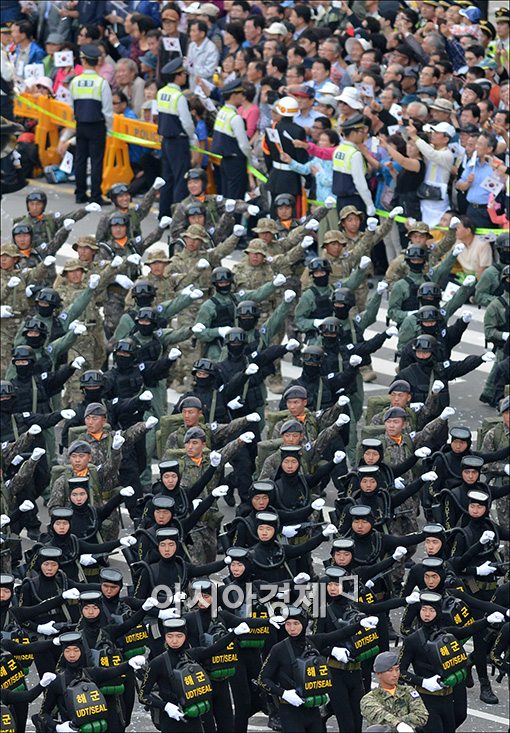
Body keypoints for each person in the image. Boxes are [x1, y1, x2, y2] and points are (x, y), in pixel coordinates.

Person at [69, 44, 113, 206]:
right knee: (96, 161)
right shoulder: (101, 83)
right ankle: (95, 195)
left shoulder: (75, 81)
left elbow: (70, 105)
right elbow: (107, 110)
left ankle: (80, 194)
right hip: (97, 125)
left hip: (81, 124)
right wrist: (110, 129)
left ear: (83, 60)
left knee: (80, 159)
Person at [157, 57, 198, 212]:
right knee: (181, 179)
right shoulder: (179, 96)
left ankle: (164, 213)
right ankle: (178, 215)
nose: (185, 76)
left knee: (167, 178)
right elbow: (187, 123)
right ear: (177, 76)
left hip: (166, 141)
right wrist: (193, 138)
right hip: (178, 141)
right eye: (183, 73)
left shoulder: (161, 93)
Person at [360, 651, 429, 733]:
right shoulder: (369, 699)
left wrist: (396, 723)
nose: (395, 674)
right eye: (390, 671)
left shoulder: (408, 691)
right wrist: (399, 725)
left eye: (397, 669)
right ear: (378, 674)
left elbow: (422, 716)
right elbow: (380, 717)